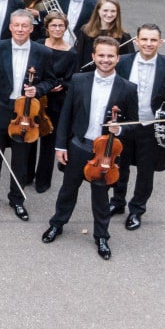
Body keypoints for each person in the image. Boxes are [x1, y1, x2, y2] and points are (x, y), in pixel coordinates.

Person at [42, 36, 140, 260]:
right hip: (79, 145)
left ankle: (102, 236)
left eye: (110, 56)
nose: (105, 60)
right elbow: (66, 115)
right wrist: (60, 146)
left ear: (117, 58)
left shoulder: (127, 88)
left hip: (105, 152)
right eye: (101, 55)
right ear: (93, 56)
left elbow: (132, 125)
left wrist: (120, 130)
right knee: (68, 189)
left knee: (100, 195)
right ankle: (57, 223)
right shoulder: (79, 80)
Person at [109, 24, 165, 229]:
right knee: (119, 166)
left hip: (150, 126)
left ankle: (137, 209)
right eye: (144, 39)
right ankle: (117, 202)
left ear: (160, 42)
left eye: (153, 40)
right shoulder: (123, 62)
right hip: (124, 125)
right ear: (137, 41)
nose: (148, 44)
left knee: (145, 171)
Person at [0, 10, 54, 222]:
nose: (20, 29)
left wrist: (37, 90)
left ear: (31, 28)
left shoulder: (43, 52)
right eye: (16, 25)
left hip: (26, 113)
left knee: (21, 159)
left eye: (24, 26)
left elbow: (50, 81)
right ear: (10, 27)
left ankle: (17, 199)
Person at [34, 12, 78, 193]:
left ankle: (42, 180)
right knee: (29, 138)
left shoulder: (72, 52)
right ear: (47, 28)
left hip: (56, 101)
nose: (57, 29)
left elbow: (71, 79)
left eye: (61, 26)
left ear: (65, 28)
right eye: (53, 26)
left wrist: (59, 84)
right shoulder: (37, 45)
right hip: (36, 97)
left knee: (48, 140)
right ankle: (26, 175)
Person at [75, 0, 134, 69]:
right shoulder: (86, 31)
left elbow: (128, 61)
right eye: (105, 10)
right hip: (88, 75)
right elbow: (78, 58)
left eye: (113, 11)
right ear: (98, 11)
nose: (109, 15)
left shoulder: (123, 35)